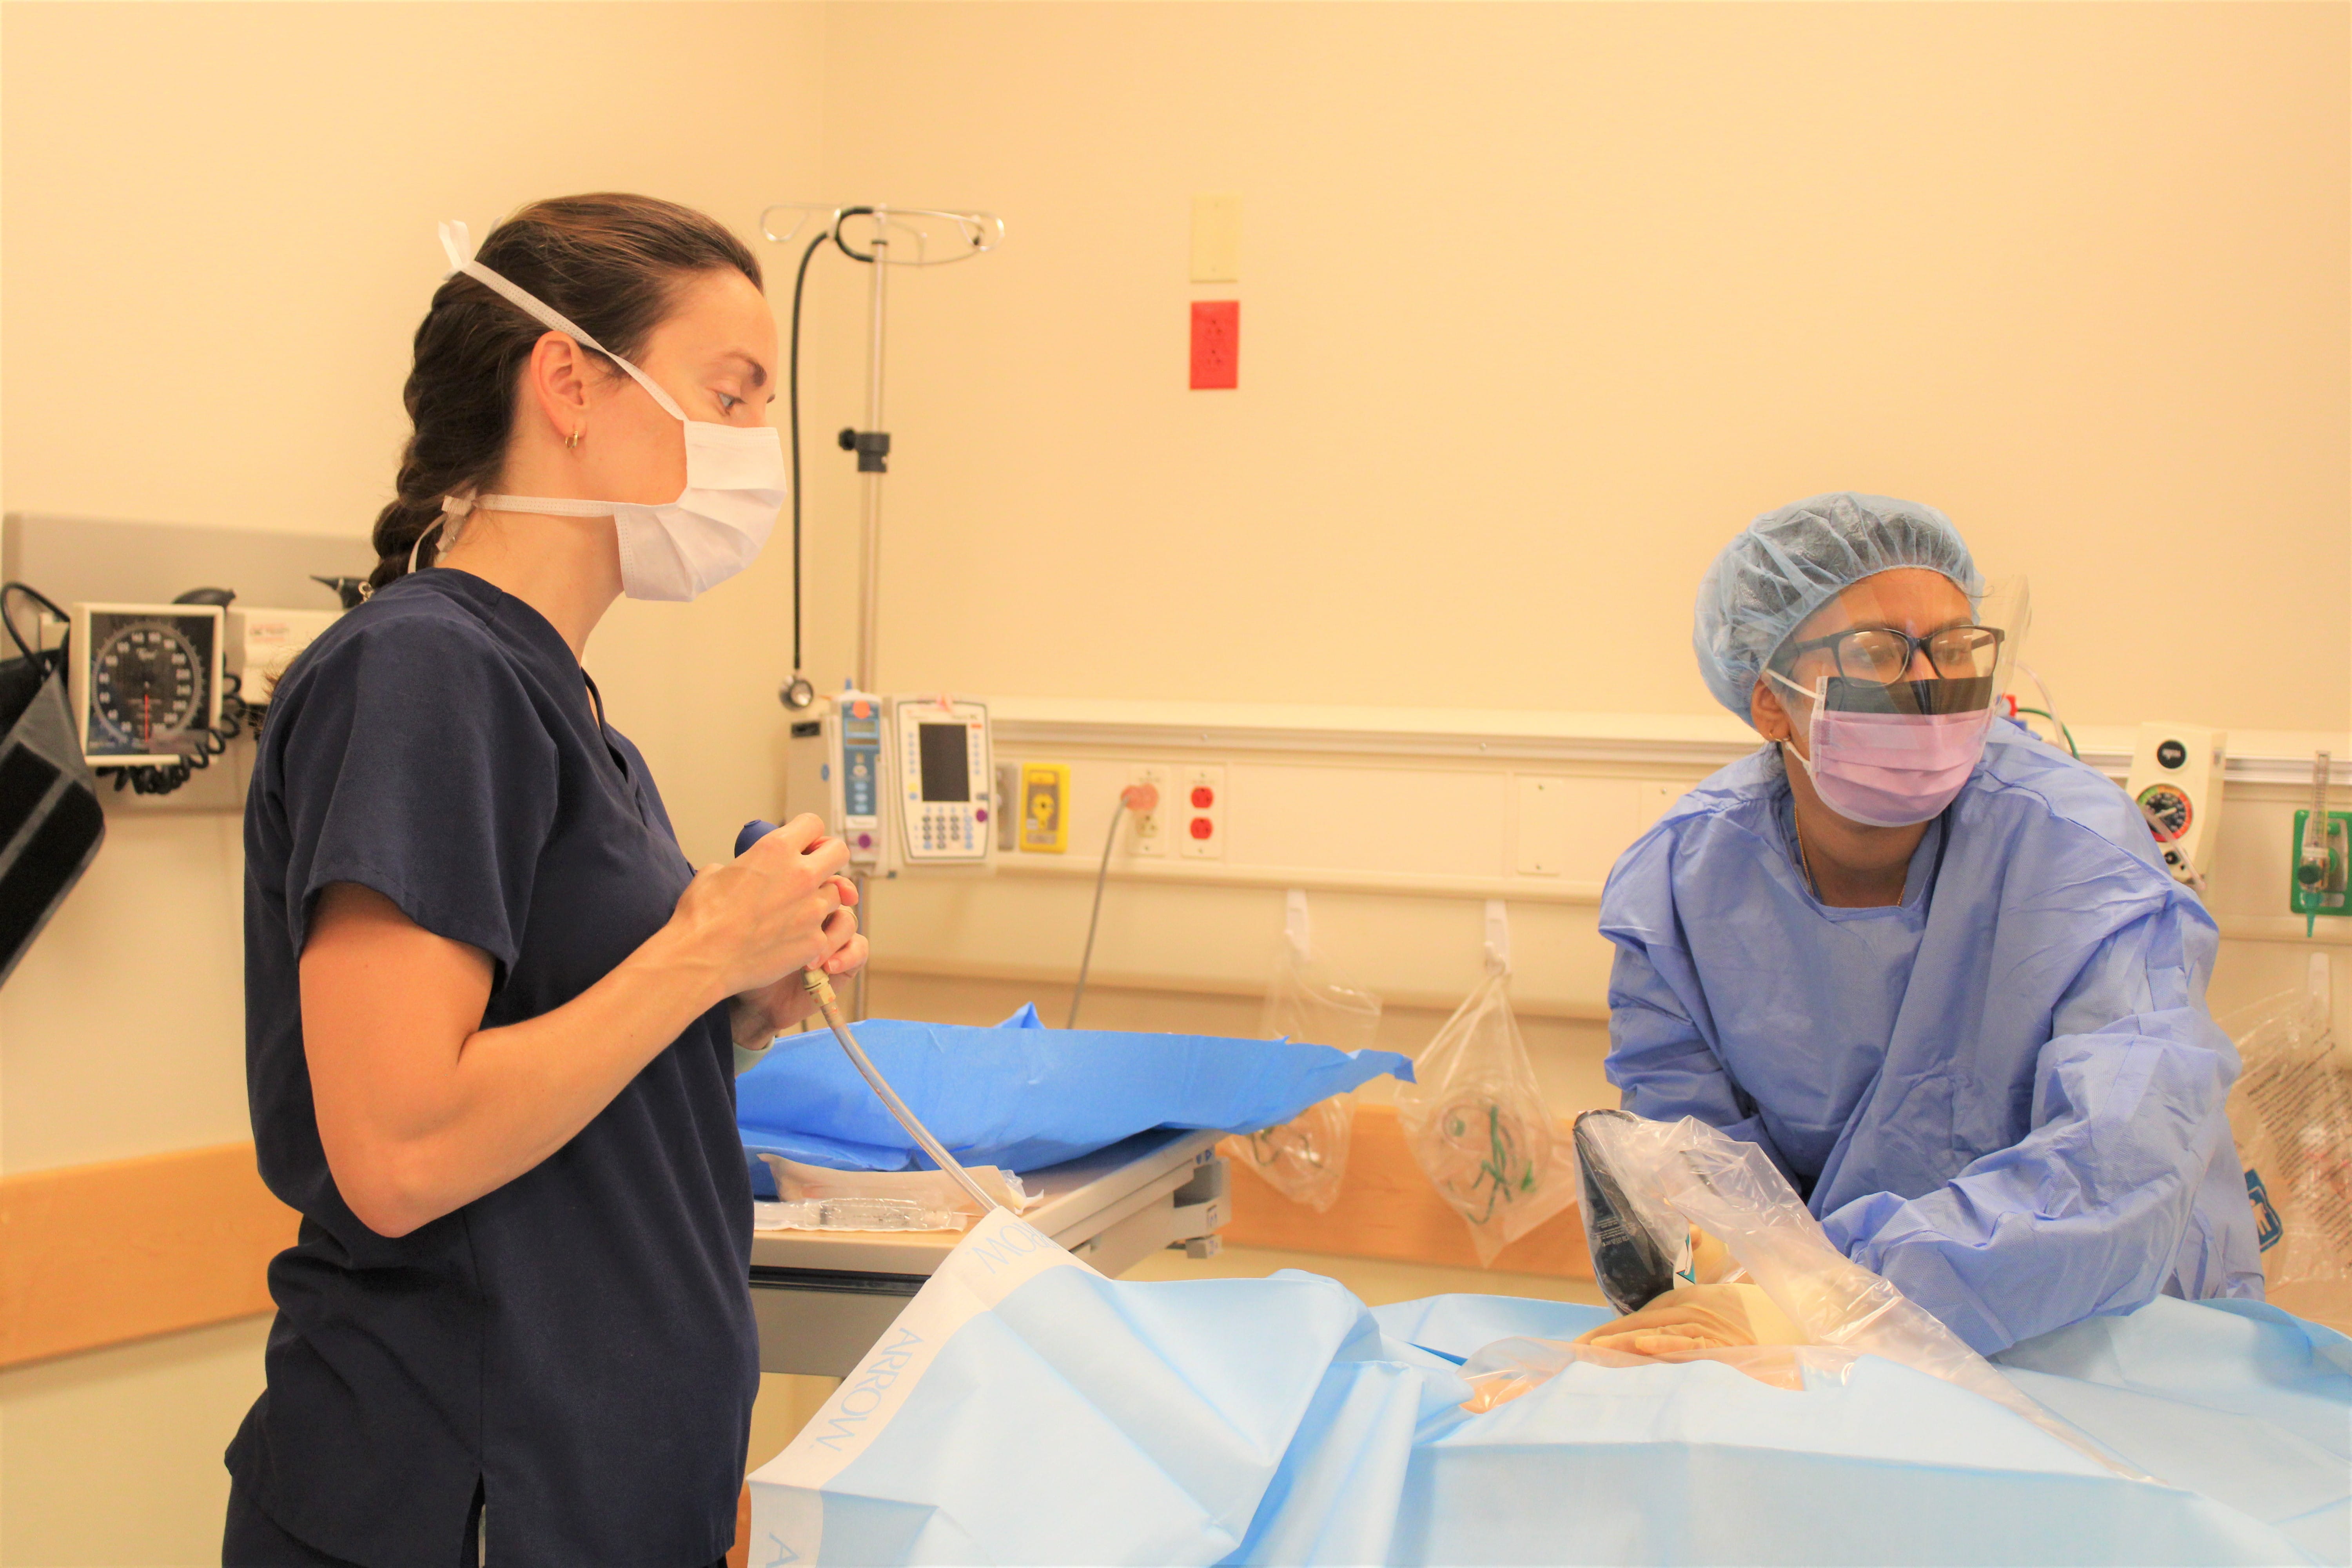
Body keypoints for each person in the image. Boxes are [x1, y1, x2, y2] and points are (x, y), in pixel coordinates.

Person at [225, 195, 867, 1567]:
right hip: (456, 1502)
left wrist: (734, 1003)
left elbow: (555, 1071)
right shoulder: (423, 675)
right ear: (569, 382)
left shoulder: (563, 710)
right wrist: (698, 951)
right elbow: (402, 1152)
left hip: (601, 1493)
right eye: (732, 395)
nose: (756, 446)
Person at [1598, 492, 2261, 1356]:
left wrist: (1838, 1297)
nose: (1930, 687)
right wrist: (1742, 1300)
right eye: (1878, 652)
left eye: (1953, 648)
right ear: (1771, 701)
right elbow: (1689, 1176)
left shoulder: (2078, 851)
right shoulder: (1681, 886)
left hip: (2102, 1338)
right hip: (1815, 1357)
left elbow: (2124, 1158)